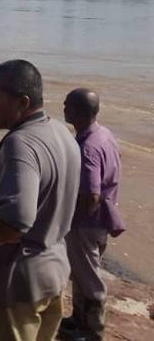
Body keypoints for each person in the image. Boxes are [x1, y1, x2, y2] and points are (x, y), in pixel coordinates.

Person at [0, 60, 80, 341]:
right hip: (53, 272)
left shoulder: (20, 144)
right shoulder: (60, 133)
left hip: (15, 283)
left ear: (22, 102)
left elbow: (16, 220)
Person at [60, 89, 125, 341]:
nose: (63, 108)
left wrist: (67, 216)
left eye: (67, 105)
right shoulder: (104, 134)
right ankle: (78, 319)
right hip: (102, 218)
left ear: (78, 111)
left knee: (89, 277)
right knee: (81, 271)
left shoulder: (88, 147)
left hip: (87, 222)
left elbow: (91, 194)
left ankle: (92, 331)